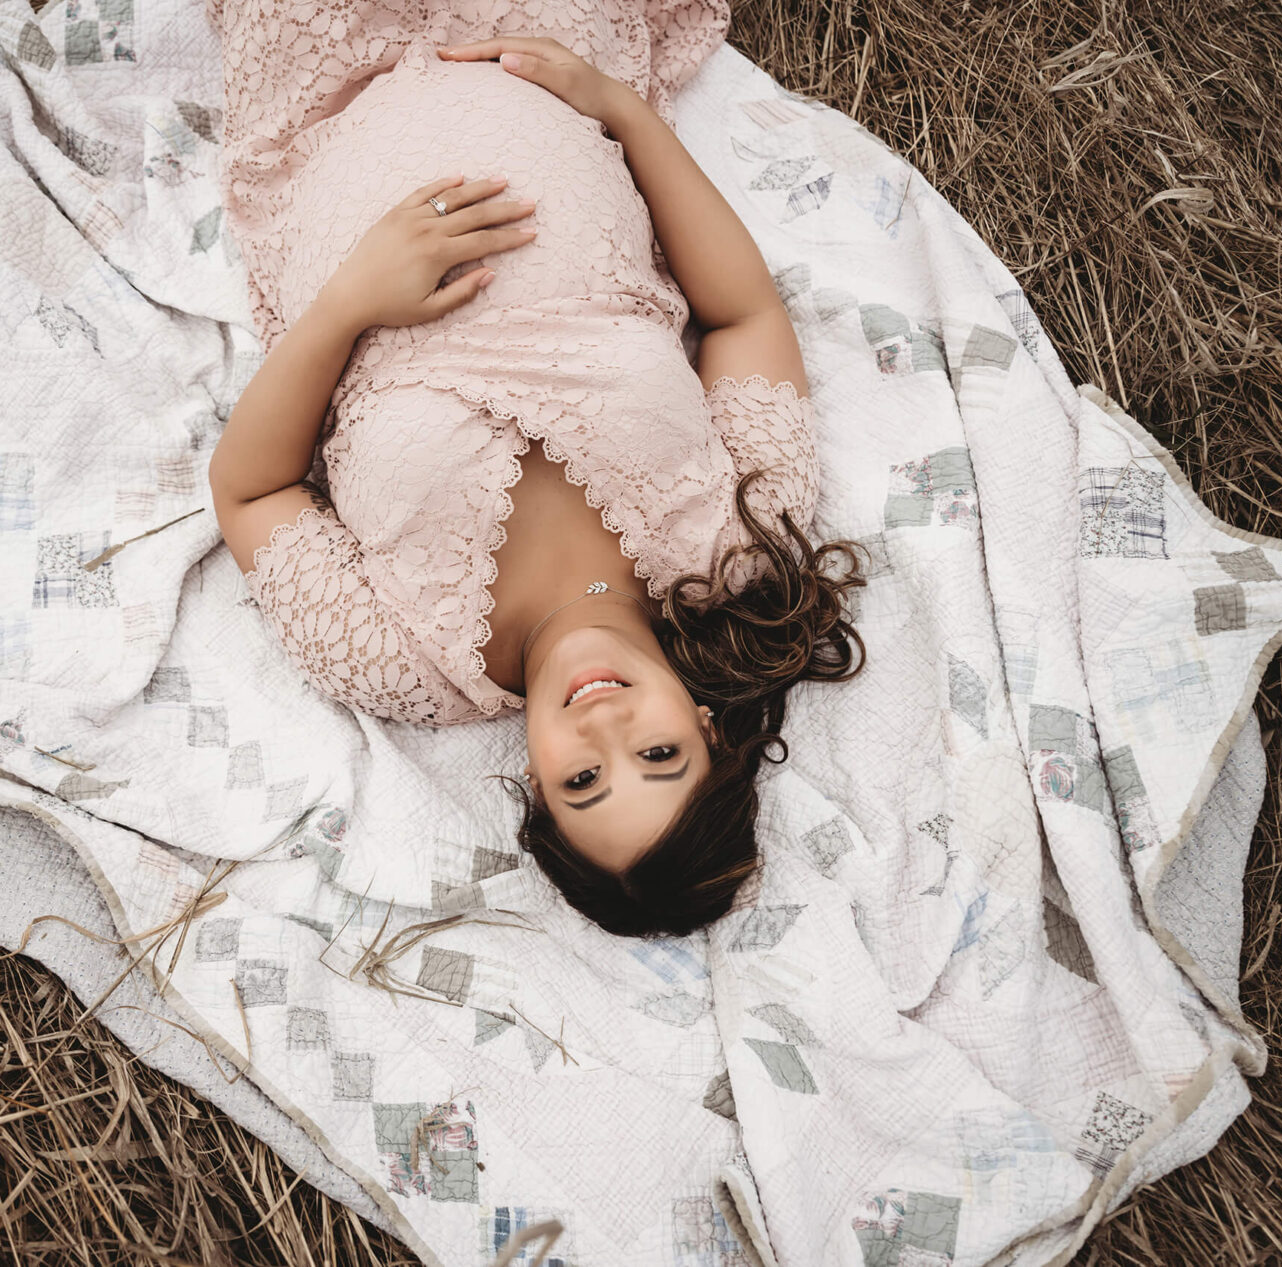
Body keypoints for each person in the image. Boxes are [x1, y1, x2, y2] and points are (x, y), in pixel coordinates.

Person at [206, 2, 865, 936]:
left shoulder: (404, 663)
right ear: (709, 731)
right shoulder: (740, 545)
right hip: (546, 59)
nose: (605, 729)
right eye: (660, 755)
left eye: (584, 780)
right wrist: (619, 109)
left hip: (325, 99)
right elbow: (744, 316)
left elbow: (249, 491)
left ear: (538, 789)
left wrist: (348, 303)